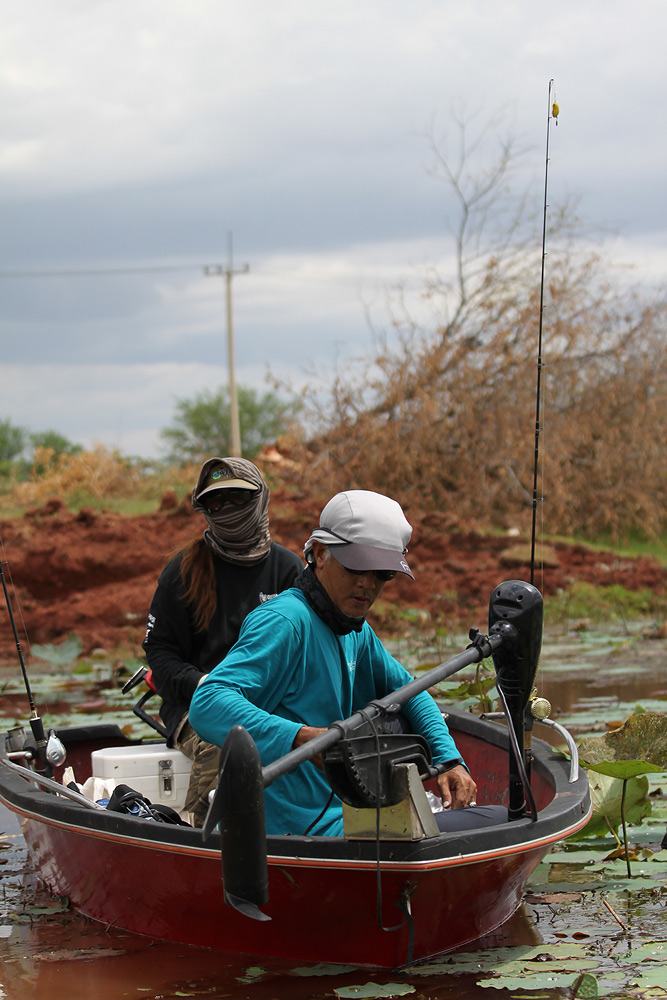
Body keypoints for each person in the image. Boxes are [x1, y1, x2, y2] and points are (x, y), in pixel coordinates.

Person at [190, 489, 504, 837]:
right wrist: (301, 737)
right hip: (300, 832)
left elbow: (413, 692)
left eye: (382, 574)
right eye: (357, 567)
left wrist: (449, 761)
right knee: (499, 821)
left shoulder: (355, 629)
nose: (367, 584)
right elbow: (208, 702)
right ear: (321, 553)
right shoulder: (287, 621)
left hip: (351, 814)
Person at [142, 456, 303, 825]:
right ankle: (209, 837)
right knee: (230, 743)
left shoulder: (288, 570)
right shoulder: (182, 571)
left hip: (272, 704)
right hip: (194, 706)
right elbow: (160, 653)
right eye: (216, 502)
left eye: (236, 499)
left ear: (260, 499)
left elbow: (305, 651)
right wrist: (204, 685)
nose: (226, 510)